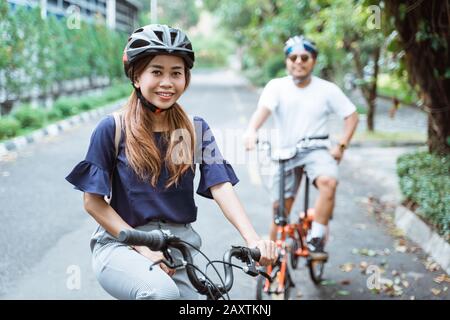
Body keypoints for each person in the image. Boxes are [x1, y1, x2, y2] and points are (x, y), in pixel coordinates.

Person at [65, 24, 277, 300]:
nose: (167, 82)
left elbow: (220, 186)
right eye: (156, 71)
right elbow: (92, 202)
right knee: (161, 293)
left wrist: (254, 239)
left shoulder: (194, 130)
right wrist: (142, 247)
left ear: (185, 79)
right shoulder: (113, 129)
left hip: (179, 249)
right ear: (136, 77)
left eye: (176, 73)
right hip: (122, 244)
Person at [243, 35, 359, 260]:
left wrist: (341, 145)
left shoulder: (327, 89)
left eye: (304, 57)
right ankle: (270, 261)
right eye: (293, 57)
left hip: (316, 149)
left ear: (313, 61)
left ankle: (316, 238)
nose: (298, 62)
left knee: (328, 181)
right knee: (280, 213)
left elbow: (352, 116)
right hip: (285, 151)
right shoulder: (276, 87)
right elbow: (263, 111)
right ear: (287, 61)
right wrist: (251, 130)